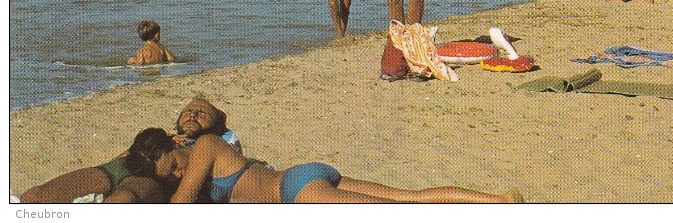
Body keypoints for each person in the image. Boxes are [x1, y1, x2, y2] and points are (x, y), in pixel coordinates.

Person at [125, 128, 522, 203]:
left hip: (298, 192)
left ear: (175, 145)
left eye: (173, 165)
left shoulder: (205, 147)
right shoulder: (207, 150)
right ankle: (500, 202)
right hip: (305, 176)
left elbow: (180, 206)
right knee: (408, 199)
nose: (179, 173)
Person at [19, 98, 239, 204]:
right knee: (34, 196)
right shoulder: (161, 138)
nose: (192, 115)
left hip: (155, 179)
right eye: (188, 111)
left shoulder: (218, 144)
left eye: (202, 114)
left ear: (216, 126)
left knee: (123, 199)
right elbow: (120, 160)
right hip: (122, 167)